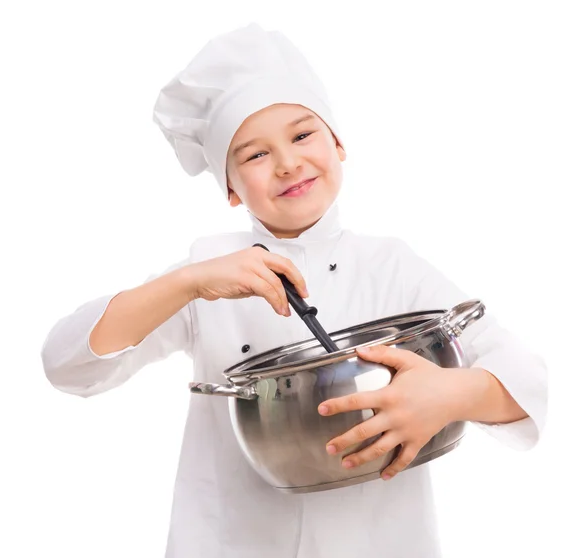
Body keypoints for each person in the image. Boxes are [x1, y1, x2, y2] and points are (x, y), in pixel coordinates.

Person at [40, 23, 548, 558]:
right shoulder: (207, 272)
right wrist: (186, 283)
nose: (287, 163)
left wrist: (448, 395)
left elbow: (527, 378)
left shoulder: (393, 265)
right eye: (255, 155)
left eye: (303, 135)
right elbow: (67, 363)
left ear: (339, 143)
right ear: (231, 188)